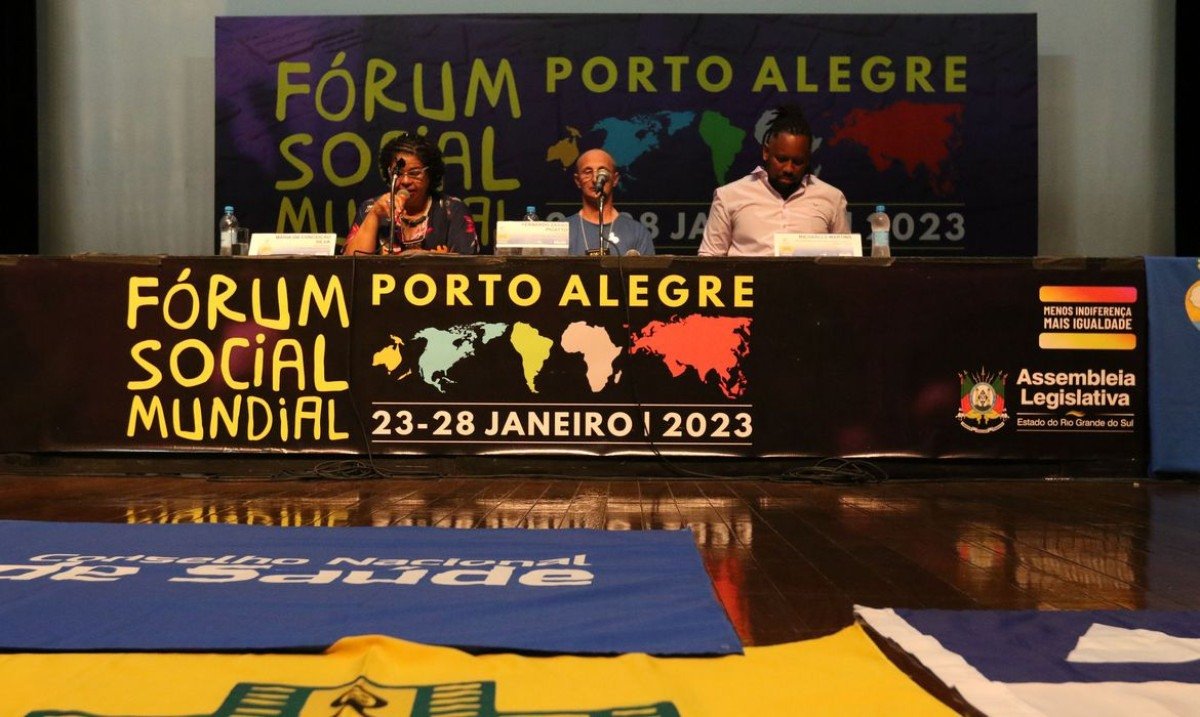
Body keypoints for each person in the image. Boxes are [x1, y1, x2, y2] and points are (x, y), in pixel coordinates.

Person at [698, 105, 850, 257]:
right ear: (766, 152)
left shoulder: (832, 198)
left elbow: (846, 262)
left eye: (798, 162)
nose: (789, 168)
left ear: (808, 159)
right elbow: (708, 259)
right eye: (781, 159)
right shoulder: (729, 196)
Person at [342, 133, 479, 256]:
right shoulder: (371, 208)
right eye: (398, 174)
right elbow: (352, 265)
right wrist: (375, 215)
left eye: (415, 173)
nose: (405, 181)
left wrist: (434, 260)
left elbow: (466, 266)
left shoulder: (452, 210)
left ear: (430, 174)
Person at [567, 149, 655, 257]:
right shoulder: (561, 232)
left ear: (615, 179)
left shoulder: (638, 232)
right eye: (588, 172)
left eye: (602, 173)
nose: (595, 179)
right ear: (577, 180)